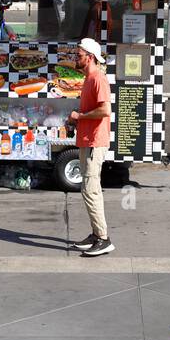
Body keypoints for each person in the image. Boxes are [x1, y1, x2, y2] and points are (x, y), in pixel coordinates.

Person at [69, 38, 114, 258]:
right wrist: (78, 120)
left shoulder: (98, 79)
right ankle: (97, 235)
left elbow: (105, 110)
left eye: (78, 55)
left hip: (96, 141)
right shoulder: (89, 79)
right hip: (88, 140)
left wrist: (81, 116)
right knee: (89, 188)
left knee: (90, 189)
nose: (75, 58)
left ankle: (103, 239)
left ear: (91, 57)